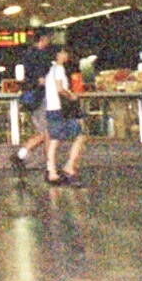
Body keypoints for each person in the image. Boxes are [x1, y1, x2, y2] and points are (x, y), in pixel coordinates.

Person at [43, 48, 87, 186]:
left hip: (52, 108)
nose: (66, 55)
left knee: (55, 140)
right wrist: (71, 96)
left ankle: (52, 172)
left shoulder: (50, 70)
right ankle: (69, 167)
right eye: (63, 53)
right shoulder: (59, 69)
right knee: (80, 136)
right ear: (58, 55)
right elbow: (60, 89)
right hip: (61, 109)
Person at [11, 31, 53, 170]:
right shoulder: (41, 56)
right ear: (43, 38)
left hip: (32, 98)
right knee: (48, 131)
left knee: (44, 132)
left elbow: (23, 78)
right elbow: (42, 80)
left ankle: (21, 155)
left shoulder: (26, 55)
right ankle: (50, 165)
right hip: (41, 97)